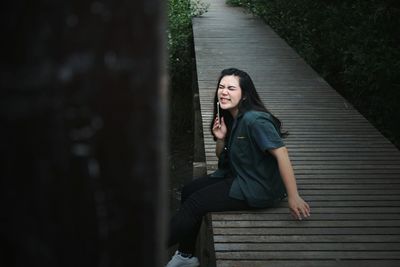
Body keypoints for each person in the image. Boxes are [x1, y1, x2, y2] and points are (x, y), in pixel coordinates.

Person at [165, 68, 310, 267]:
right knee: (190, 190)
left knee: (196, 203)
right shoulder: (233, 117)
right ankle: (186, 255)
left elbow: (281, 153)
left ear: (244, 95)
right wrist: (221, 138)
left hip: (257, 187)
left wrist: (294, 195)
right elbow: (222, 157)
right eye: (221, 87)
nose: (224, 92)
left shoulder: (254, 120)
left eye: (231, 88)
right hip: (238, 175)